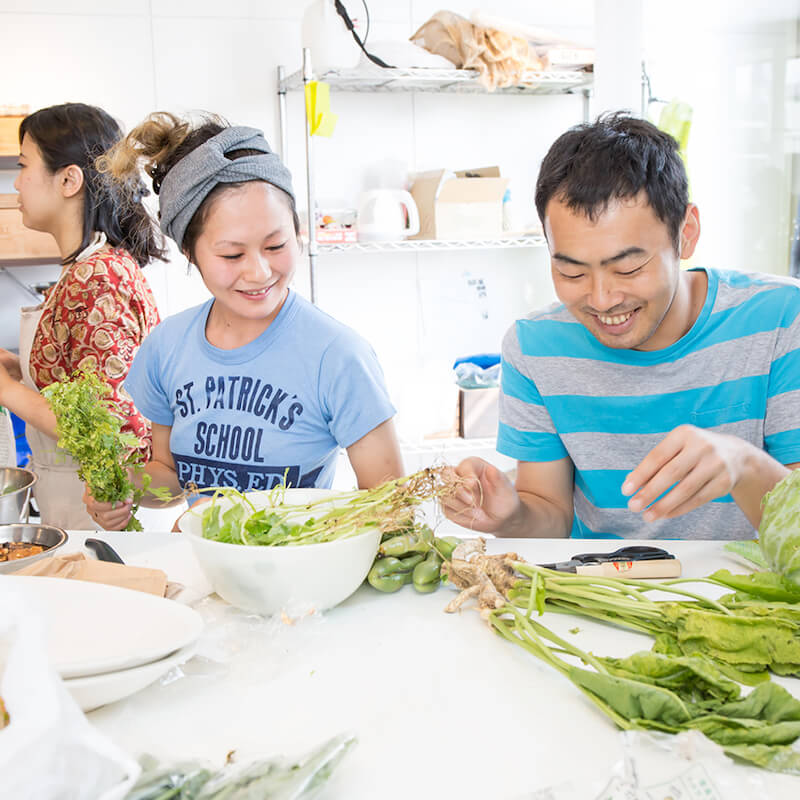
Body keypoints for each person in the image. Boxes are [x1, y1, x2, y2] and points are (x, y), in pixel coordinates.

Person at [443, 112, 800, 541]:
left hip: (744, 598)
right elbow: (550, 515)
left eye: (628, 267)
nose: (601, 299)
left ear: (686, 233)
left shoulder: (782, 320)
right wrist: (509, 516)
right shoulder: (535, 346)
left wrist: (744, 466)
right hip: (602, 593)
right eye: (572, 273)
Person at [86, 113, 403, 530]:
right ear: (189, 252)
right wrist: (126, 485)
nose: (258, 272)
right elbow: (171, 477)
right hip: (203, 572)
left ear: (297, 231)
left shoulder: (337, 355)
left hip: (298, 574)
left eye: (275, 245)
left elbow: (390, 505)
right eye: (232, 255)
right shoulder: (166, 347)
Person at [0, 103, 162, 529]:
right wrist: (21, 371)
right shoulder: (85, 269)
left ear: (69, 180)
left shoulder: (98, 277)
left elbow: (111, 432)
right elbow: (85, 385)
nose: (16, 182)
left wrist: (8, 391)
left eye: (23, 165)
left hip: (104, 516)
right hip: (74, 506)